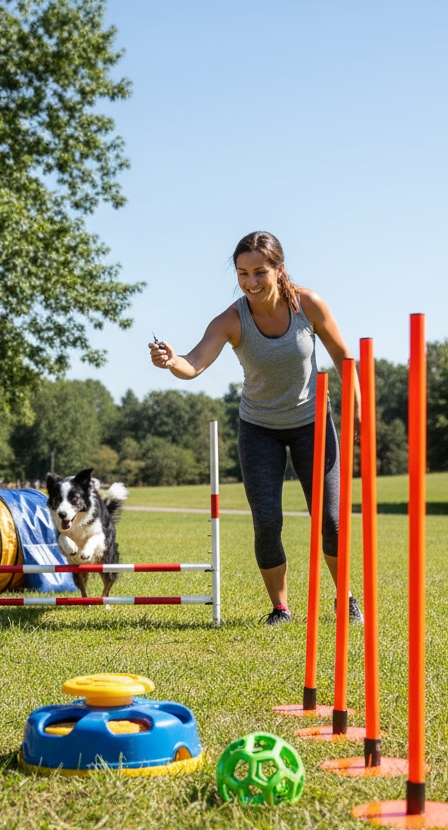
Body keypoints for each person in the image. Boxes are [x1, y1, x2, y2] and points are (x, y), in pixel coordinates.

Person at [149, 230, 362, 626]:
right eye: (243, 273)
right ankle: (280, 607)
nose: (251, 282)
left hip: (312, 423)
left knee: (330, 519)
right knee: (267, 521)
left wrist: (358, 413)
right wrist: (171, 360)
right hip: (259, 428)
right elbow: (194, 364)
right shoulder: (231, 320)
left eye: (260, 272)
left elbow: (344, 356)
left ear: (279, 270)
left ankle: (345, 597)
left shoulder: (308, 305)